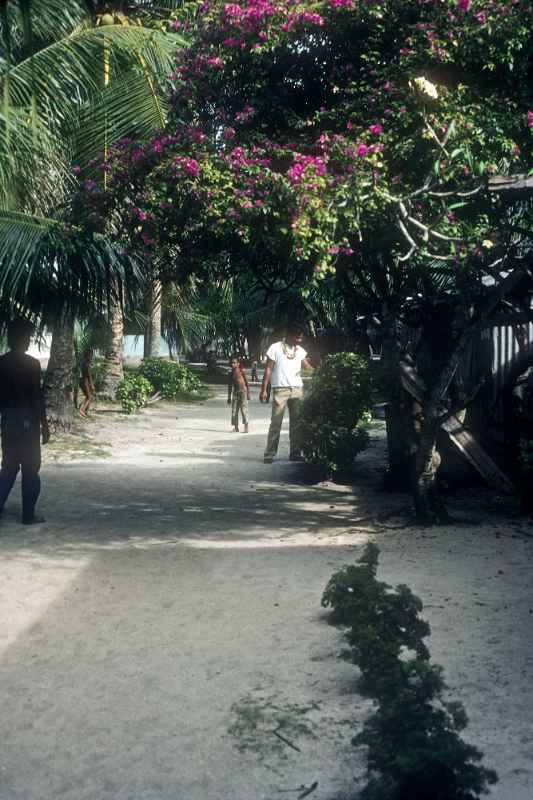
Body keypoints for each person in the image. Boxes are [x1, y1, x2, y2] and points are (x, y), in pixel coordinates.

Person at [0, 318, 50, 525]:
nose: (29, 340)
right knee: (31, 469)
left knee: (9, 468)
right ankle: (28, 515)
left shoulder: (1, 363)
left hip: (8, 419)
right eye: (28, 336)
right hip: (28, 421)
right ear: (21, 338)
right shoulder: (32, 364)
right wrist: (45, 425)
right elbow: (36, 398)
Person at [260, 322, 313, 463]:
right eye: (297, 336)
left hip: (297, 389)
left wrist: (320, 372)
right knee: (276, 422)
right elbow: (269, 369)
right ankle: (269, 453)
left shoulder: (300, 351)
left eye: (301, 337)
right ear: (289, 335)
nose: (300, 339)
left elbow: (307, 368)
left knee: (297, 423)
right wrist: (264, 389)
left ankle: (295, 453)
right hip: (280, 389)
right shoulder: (275, 348)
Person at [227, 356, 251, 433]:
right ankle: (236, 427)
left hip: (243, 392)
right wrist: (229, 397)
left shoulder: (241, 371)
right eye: (232, 363)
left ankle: (246, 426)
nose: (233, 364)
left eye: (234, 363)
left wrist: (248, 393)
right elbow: (230, 385)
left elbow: (246, 383)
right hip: (235, 393)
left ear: (238, 364)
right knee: (234, 411)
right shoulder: (230, 374)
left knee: (244, 410)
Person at [79, 346, 95, 418]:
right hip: (85, 381)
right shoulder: (86, 364)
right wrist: (91, 384)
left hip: (81, 381)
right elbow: (89, 375)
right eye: (91, 354)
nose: (91, 356)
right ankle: (82, 410)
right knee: (89, 397)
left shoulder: (82, 362)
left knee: (88, 396)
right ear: (88, 355)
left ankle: (85, 411)